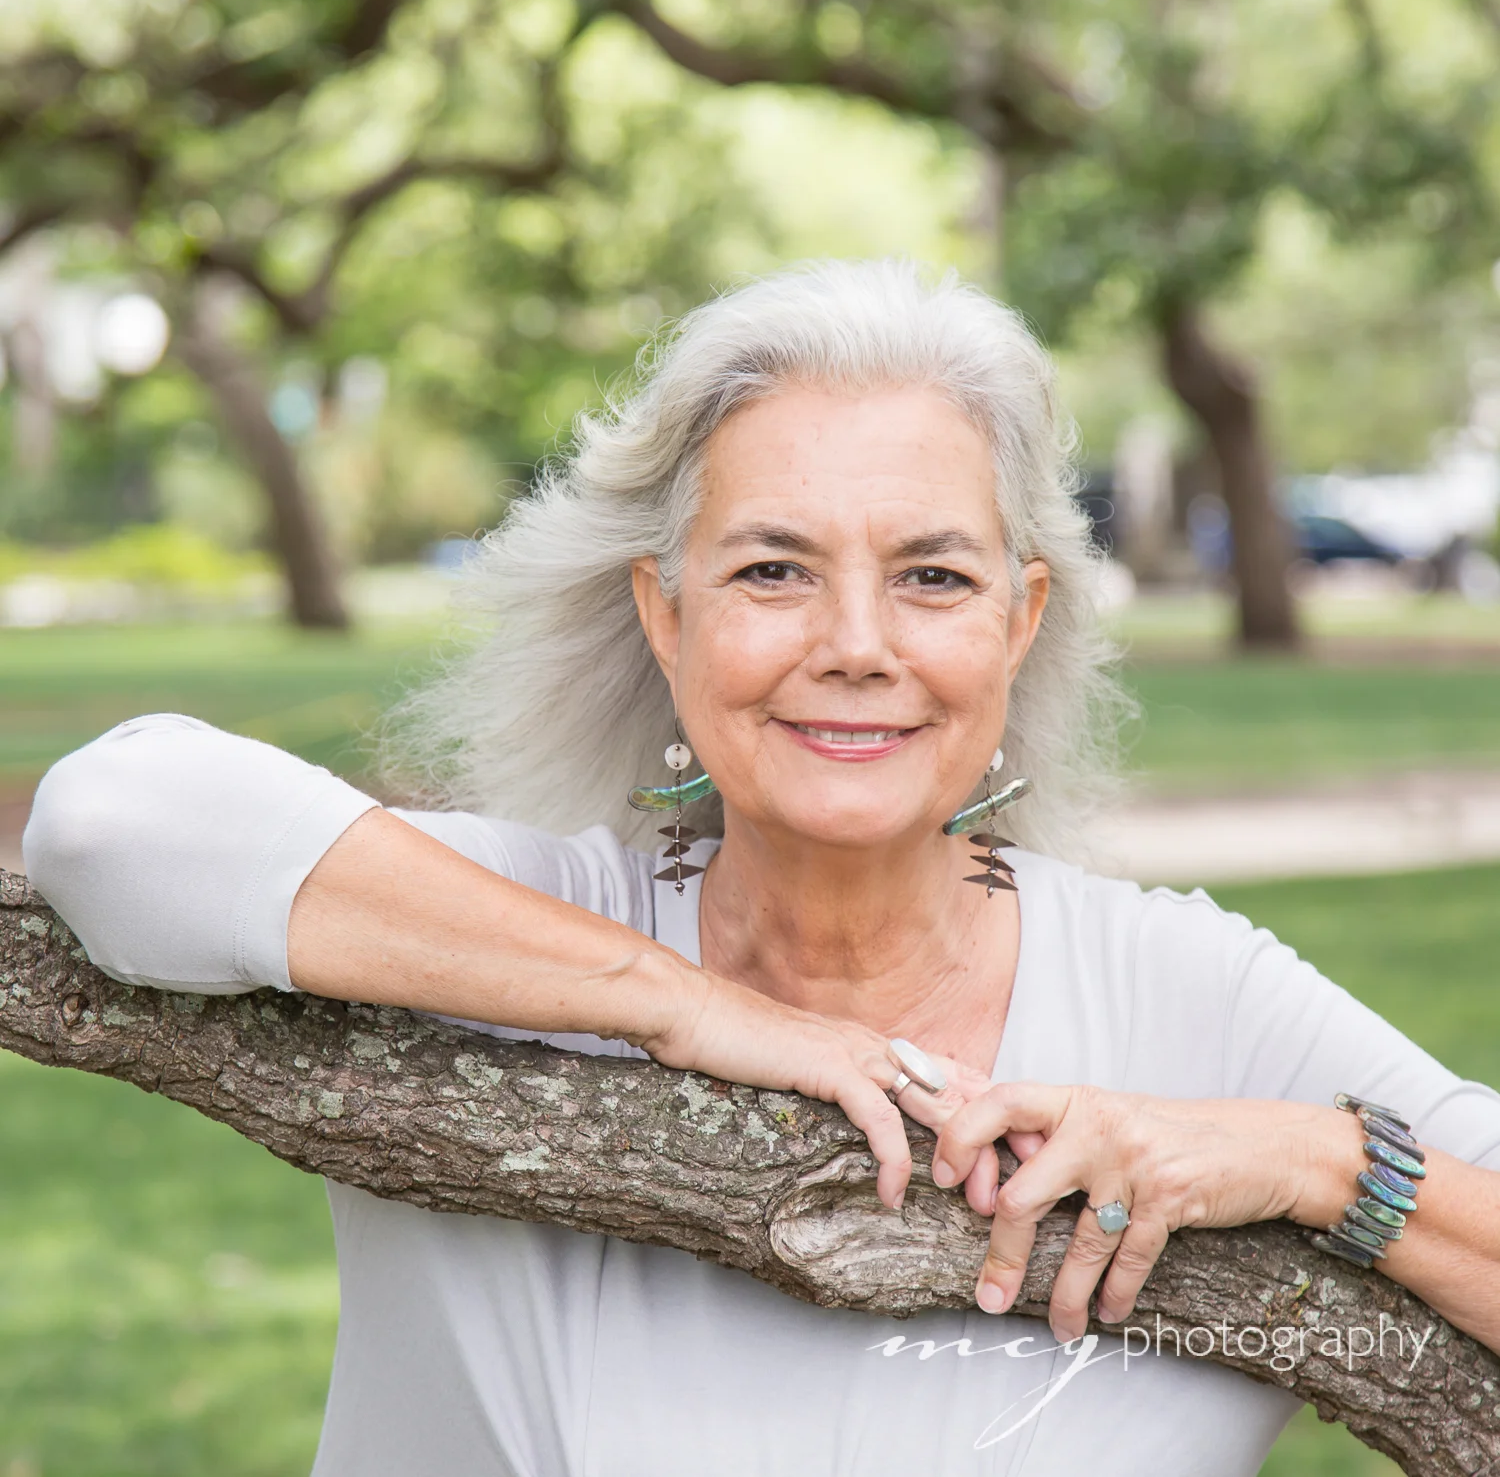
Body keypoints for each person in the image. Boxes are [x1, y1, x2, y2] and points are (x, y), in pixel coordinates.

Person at [23, 258, 1500, 1477]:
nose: (856, 645)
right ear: (665, 621)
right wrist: (678, 1004)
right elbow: (113, 818)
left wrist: (1312, 1160)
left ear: (1020, 619)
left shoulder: (1189, 994)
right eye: (773, 569)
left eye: (932, 575)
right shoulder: (514, 932)